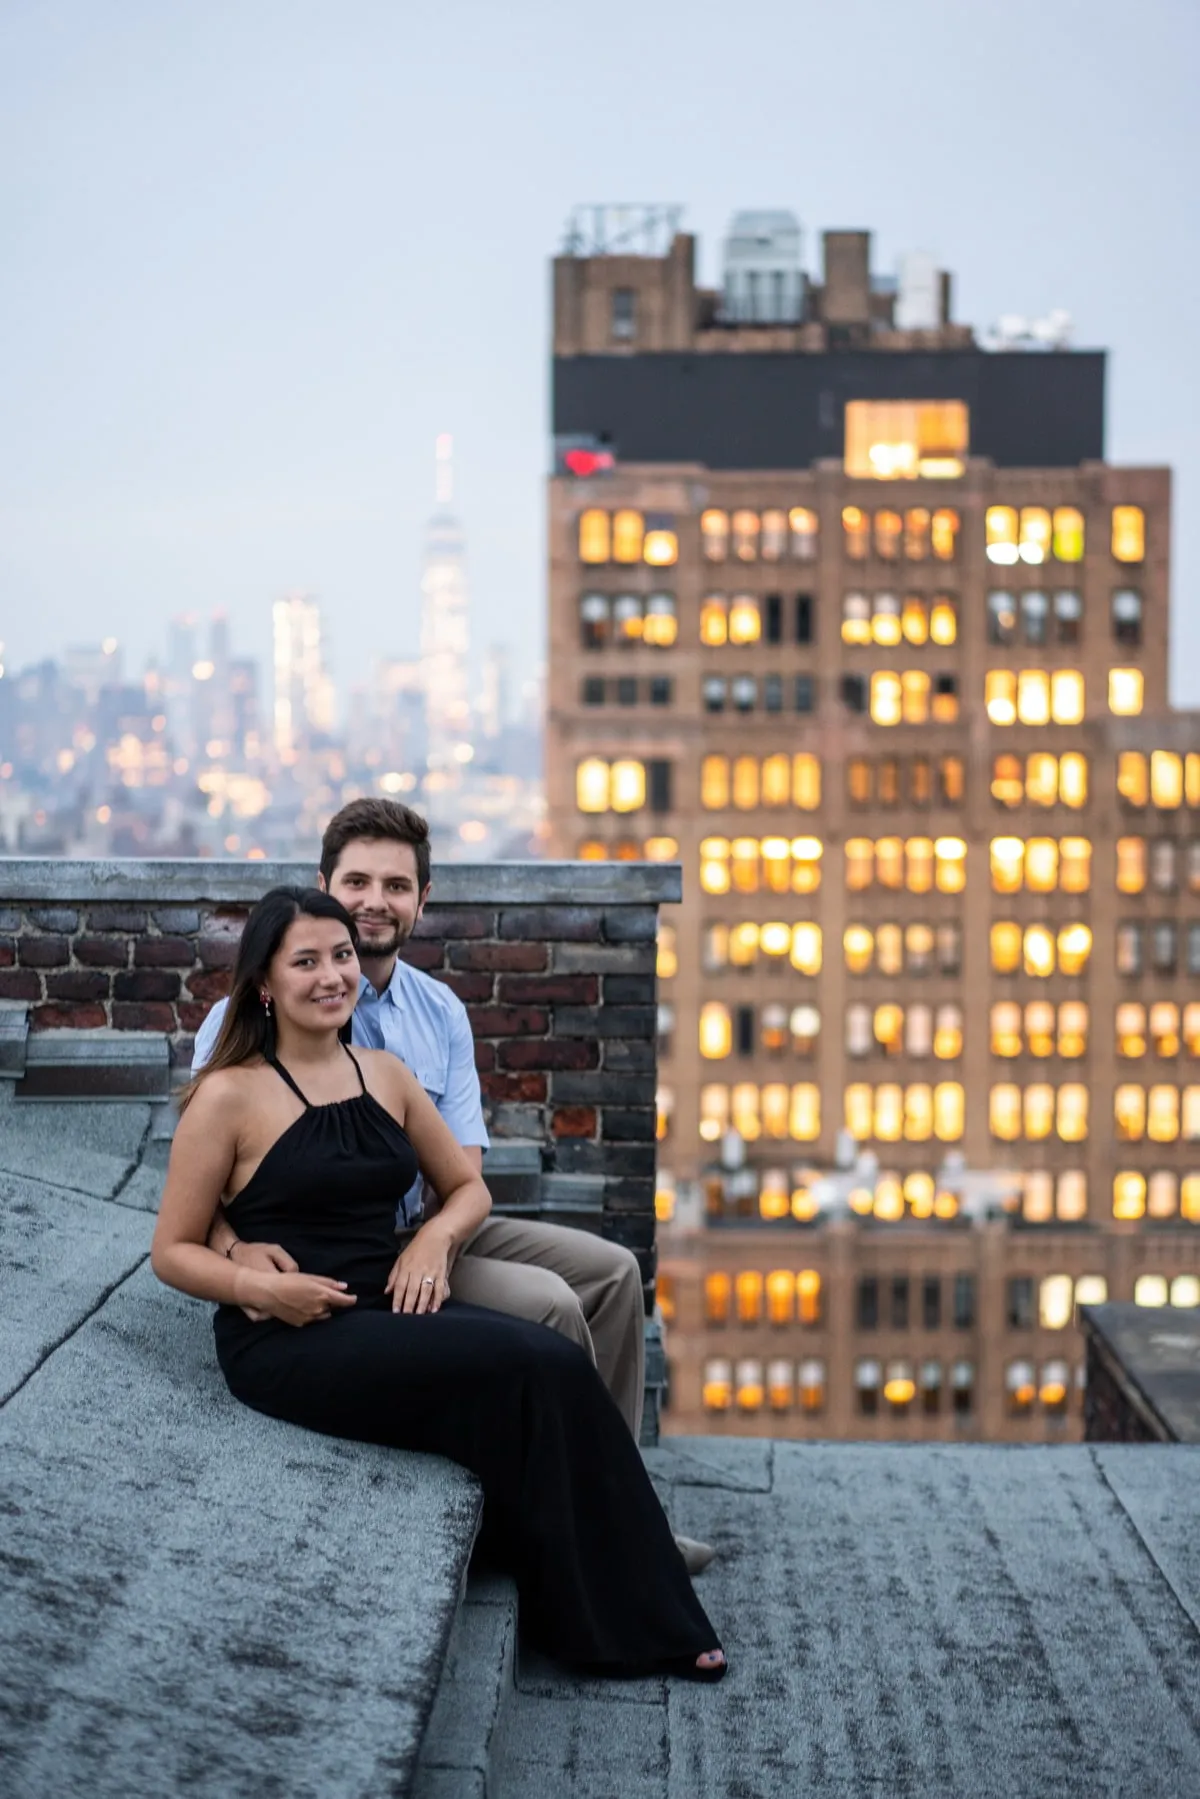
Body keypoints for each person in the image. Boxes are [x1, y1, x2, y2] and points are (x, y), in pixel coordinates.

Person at [152, 886, 725, 1680]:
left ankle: (614, 1598)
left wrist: (433, 1239)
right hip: (286, 1336)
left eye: (342, 956)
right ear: (264, 984)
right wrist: (259, 1287)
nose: (331, 975)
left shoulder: (384, 1073)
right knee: (540, 1362)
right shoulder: (228, 1094)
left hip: (387, 1298)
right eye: (306, 961)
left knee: (541, 1362)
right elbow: (172, 1250)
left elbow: (468, 1187)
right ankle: (628, 1624)